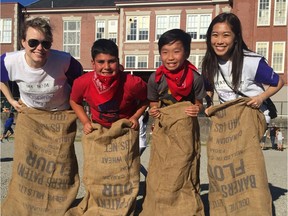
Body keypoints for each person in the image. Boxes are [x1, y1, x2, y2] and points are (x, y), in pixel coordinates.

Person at [201, 12, 284, 215]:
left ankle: (251, 206)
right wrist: (208, 102)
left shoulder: (250, 61)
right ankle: (232, 203)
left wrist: (261, 98)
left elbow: (278, 81)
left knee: (245, 161)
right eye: (215, 34)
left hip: (252, 114)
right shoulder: (209, 63)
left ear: (236, 37)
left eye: (226, 35)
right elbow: (210, 88)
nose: (219, 41)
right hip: (229, 117)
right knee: (225, 164)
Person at [0, 17, 83, 216]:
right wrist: (11, 100)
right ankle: (27, 203)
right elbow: (1, 79)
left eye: (45, 43)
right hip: (32, 116)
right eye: (33, 42)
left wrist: (75, 105)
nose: (40, 48)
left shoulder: (64, 60)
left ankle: (58, 203)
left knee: (60, 163)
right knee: (28, 163)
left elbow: (80, 83)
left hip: (59, 116)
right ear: (23, 42)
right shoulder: (9, 61)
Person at [67, 38, 148, 215]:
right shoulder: (83, 82)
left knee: (126, 169)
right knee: (98, 171)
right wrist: (86, 122)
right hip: (99, 130)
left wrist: (135, 116)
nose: (106, 67)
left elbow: (146, 99)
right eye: (101, 62)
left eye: (111, 61)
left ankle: (124, 204)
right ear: (93, 63)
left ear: (118, 62)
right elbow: (74, 101)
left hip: (124, 131)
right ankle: (98, 202)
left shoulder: (132, 82)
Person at [141, 28, 206, 216]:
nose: (170, 57)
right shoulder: (156, 78)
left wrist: (197, 108)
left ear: (186, 52)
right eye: (165, 52)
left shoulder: (195, 78)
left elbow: (199, 104)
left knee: (186, 164)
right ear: (160, 53)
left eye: (176, 51)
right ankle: (159, 205)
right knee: (160, 166)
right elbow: (153, 104)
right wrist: (153, 111)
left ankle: (185, 206)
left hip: (186, 130)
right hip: (164, 128)